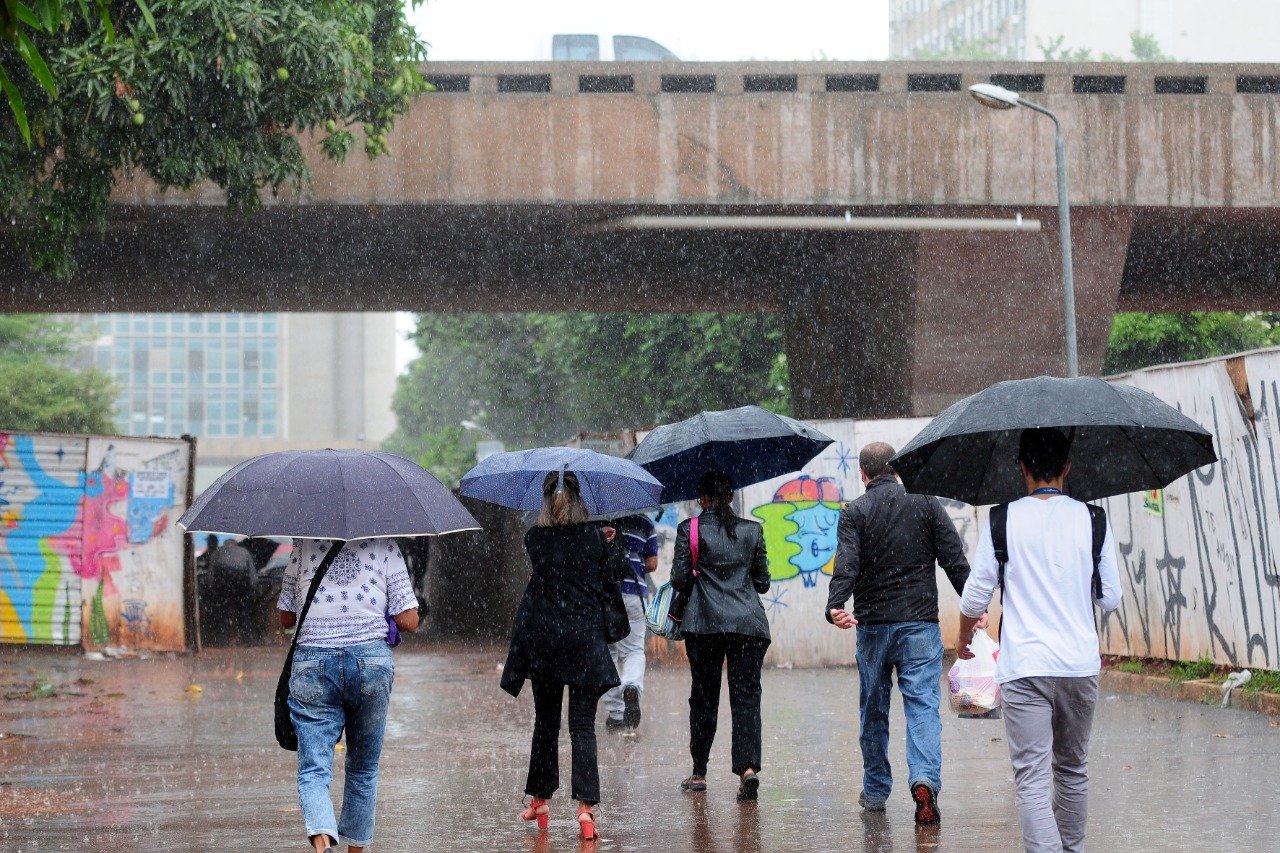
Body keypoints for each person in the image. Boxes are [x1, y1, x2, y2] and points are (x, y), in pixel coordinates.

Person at [956, 427, 1122, 853]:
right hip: (1079, 667)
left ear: (1022, 468)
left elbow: (974, 598)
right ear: (1067, 468)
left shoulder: (1001, 520)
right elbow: (1111, 599)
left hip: (1025, 668)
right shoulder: (1094, 519)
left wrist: (962, 642)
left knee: (1031, 775)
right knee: (1072, 769)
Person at [825, 442, 972, 825]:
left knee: (873, 709)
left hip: (872, 626)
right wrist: (973, 605)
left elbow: (847, 565)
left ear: (863, 474)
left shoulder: (854, 512)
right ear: (897, 470)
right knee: (922, 704)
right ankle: (924, 779)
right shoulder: (924, 503)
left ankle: (875, 790)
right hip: (919, 625)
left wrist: (835, 605)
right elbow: (953, 558)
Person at [500, 471, 627, 841]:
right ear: (580, 501)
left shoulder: (534, 538)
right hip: (584, 642)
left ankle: (540, 798)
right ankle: (586, 809)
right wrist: (607, 543)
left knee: (546, 723)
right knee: (582, 727)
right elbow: (609, 580)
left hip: (545, 642)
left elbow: (552, 566)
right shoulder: (595, 538)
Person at [278, 537, 420, 853]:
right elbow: (408, 619)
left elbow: (286, 617)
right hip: (370, 664)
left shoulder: (303, 543)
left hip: (313, 663)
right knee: (363, 770)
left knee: (314, 770)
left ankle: (323, 840)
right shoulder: (386, 544)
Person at [671, 470, 770, 801]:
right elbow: (763, 583)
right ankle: (747, 769)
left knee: (703, 697)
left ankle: (699, 772)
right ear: (730, 497)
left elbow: (680, 580)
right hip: (748, 626)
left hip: (704, 626)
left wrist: (701, 570)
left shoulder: (690, 530)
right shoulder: (753, 531)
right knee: (745, 698)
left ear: (702, 499)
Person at [601, 512, 659, 730]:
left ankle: (616, 714)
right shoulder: (644, 522)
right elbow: (652, 564)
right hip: (633, 592)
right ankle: (631, 686)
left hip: (605, 595)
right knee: (633, 650)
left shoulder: (598, 519)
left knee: (608, 653)